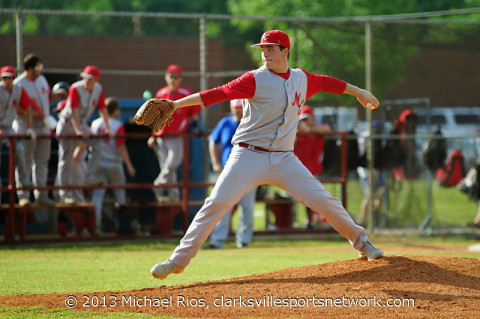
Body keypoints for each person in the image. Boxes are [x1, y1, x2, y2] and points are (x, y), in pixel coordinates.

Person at [149, 30, 383, 280]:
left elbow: (328, 82)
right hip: (247, 156)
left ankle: (362, 242)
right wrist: (175, 104)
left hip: (284, 158)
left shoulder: (301, 78)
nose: (265, 54)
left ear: (286, 51)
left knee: (324, 200)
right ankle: (178, 260)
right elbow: (216, 94)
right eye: (262, 49)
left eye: (271, 48)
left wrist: (359, 92)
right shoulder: (254, 79)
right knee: (215, 203)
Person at [56, 65, 111, 204]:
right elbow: (73, 111)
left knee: (98, 145)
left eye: (91, 79)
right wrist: (78, 131)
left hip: (82, 123)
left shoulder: (98, 89)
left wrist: (107, 128)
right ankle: (64, 193)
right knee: (66, 158)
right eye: (85, 78)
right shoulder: (76, 88)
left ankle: (88, 177)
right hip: (68, 123)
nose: (87, 81)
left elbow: (103, 109)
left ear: (96, 80)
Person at [205, 99, 257, 249]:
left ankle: (244, 240)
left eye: (240, 108)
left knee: (247, 207)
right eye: (235, 108)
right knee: (222, 204)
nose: (238, 110)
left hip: (249, 171)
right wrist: (215, 162)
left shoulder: (251, 122)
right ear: (231, 108)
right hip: (227, 171)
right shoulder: (225, 123)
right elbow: (213, 141)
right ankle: (218, 240)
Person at [147, 64, 201, 203]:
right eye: (170, 76)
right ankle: (173, 193)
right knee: (166, 165)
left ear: (180, 78)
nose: (173, 79)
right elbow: (156, 117)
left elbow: (194, 112)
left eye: (176, 77)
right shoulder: (160, 93)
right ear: (166, 77)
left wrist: (195, 126)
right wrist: (153, 135)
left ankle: (160, 183)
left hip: (176, 134)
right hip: (161, 134)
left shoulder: (186, 92)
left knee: (173, 162)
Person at [13, 54, 55, 206]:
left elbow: (47, 98)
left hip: (43, 126)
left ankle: (41, 195)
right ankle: (23, 196)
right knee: (25, 162)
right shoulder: (18, 84)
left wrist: (58, 96)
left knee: (42, 161)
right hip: (26, 127)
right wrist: (32, 114)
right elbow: (16, 108)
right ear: (30, 69)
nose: (40, 70)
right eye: (38, 67)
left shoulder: (42, 80)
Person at [90, 97, 136, 234]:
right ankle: (122, 228)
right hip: (114, 164)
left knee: (97, 196)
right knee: (119, 196)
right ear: (115, 111)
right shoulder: (117, 125)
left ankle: (95, 226)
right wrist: (129, 165)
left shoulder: (94, 123)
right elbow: (121, 147)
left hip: (98, 163)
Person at [0, 65, 36, 205]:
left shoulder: (17, 90)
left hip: (8, 128)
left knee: (19, 149)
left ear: (14, 79)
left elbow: (27, 108)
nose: (7, 81)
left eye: (9, 78)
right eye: (4, 78)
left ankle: (24, 184)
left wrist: (29, 128)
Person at [294, 105, 332, 229]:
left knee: (314, 197)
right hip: (298, 170)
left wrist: (308, 130)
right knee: (303, 198)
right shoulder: (297, 131)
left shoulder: (316, 129)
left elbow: (327, 129)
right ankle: (307, 221)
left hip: (314, 170)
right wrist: (296, 133)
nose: (304, 122)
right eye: (302, 120)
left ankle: (318, 221)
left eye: (307, 119)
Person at [357, 120, 387, 225]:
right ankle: (363, 221)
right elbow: (365, 155)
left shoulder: (379, 137)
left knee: (382, 191)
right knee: (369, 195)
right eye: (375, 127)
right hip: (366, 171)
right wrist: (371, 170)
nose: (377, 129)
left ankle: (374, 214)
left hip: (376, 170)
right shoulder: (366, 137)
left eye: (378, 127)